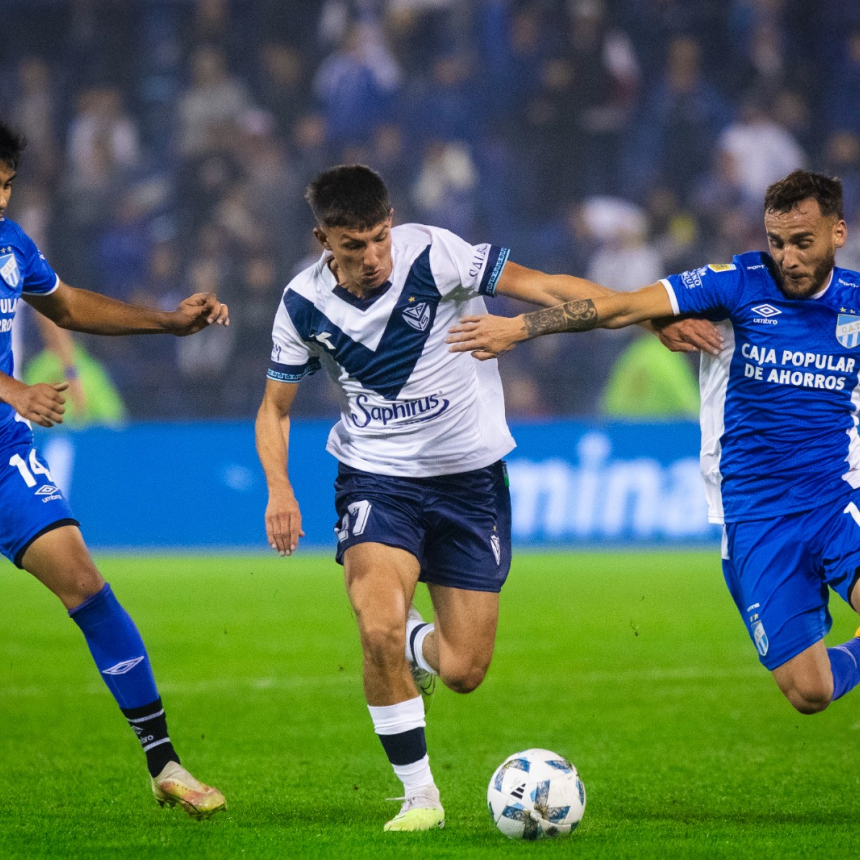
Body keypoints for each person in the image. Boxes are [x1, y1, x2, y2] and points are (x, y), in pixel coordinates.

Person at [254, 164, 717, 832]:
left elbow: (547, 286)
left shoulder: (437, 254)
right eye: (354, 246)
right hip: (376, 479)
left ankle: (413, 643)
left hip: (469, 483)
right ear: (323, 239)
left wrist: (645, 319)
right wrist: (279, 487)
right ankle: (420, 797)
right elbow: (274, 408)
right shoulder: (302, 304)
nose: (373, 256)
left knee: (463, 669)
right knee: (375, 624)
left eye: (380, 238)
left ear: (392, 223)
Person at [448, 169, 860, 717]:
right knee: (811, 692)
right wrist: (520, 328)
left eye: (802, 242)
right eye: (777, 242)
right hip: (756, 514)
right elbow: (619, 306)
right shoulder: (736, 283)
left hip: (837, 497)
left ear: (838, 232)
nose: (787, 258)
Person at [0, 119, 228, 818]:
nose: (2, 200)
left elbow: (66, 305)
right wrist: (13, 389)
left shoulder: (11, 244)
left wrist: (166, 322)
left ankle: (164, 763)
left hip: (3, 458)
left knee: (86, 586)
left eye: (7, 186)